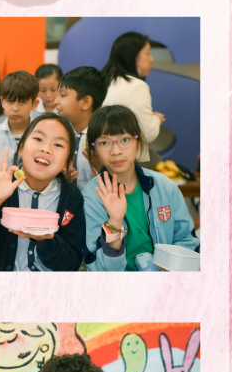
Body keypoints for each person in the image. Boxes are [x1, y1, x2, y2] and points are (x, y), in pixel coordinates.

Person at [0, 113, 84, 272]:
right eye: (38, 139)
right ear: (21, 148)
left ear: (68, 163)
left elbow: (71, 264)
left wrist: (46, 240)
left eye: (58, 144)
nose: (46, 148)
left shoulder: (72, 197)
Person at [82, 105, 199, 272]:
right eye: (104, 142)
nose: (116, 151)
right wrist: (114, 221)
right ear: (94, 149)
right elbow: (102, 269)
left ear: (139, 141)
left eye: (124, 140)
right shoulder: (91, 197)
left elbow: (187, 240)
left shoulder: (165, 186)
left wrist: (171, 267)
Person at [102, 31, 165, 162]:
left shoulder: (103, 80)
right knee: (157, 162)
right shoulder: (136, 86)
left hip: (100, 157)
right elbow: (148, 134)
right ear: (133, 56)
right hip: (124, 161)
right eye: (147, 53)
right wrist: (156, 119)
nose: (151, 59)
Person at [55, 66, 108, 190]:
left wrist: (101, 166)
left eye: (62, 95)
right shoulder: (59, 133)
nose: (56, 101)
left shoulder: (104, 137)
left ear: (85, 102)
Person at [0, 71, 40, 167]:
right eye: (10, 101)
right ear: (2, 102)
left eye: (22, 102)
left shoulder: (42, 135)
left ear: (34, 104)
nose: (15, 108)